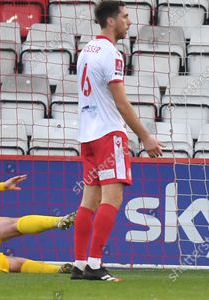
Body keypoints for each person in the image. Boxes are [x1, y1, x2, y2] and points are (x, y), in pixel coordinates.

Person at [71, 1, 164, 281]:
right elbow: (121, 103)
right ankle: (96, 265)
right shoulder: (112, 54)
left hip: (86, 135)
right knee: (113, 197)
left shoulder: (86, 50)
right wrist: (145, 136)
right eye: (125, 17)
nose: (129, 22)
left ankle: (79, 264)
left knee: (90, 200)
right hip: (109, 133)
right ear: (111, 21)